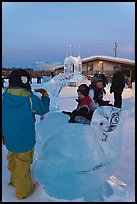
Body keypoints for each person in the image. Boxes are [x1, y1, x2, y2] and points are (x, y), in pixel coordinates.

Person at [2, 69, 50, 200]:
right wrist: (45, 97)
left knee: (12, 159)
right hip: (25, 139)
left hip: (10, 138)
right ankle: (23, 191)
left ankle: (14, 181)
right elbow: (43, 109)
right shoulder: (29, 97)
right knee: (23, 164)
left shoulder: (4, 97)